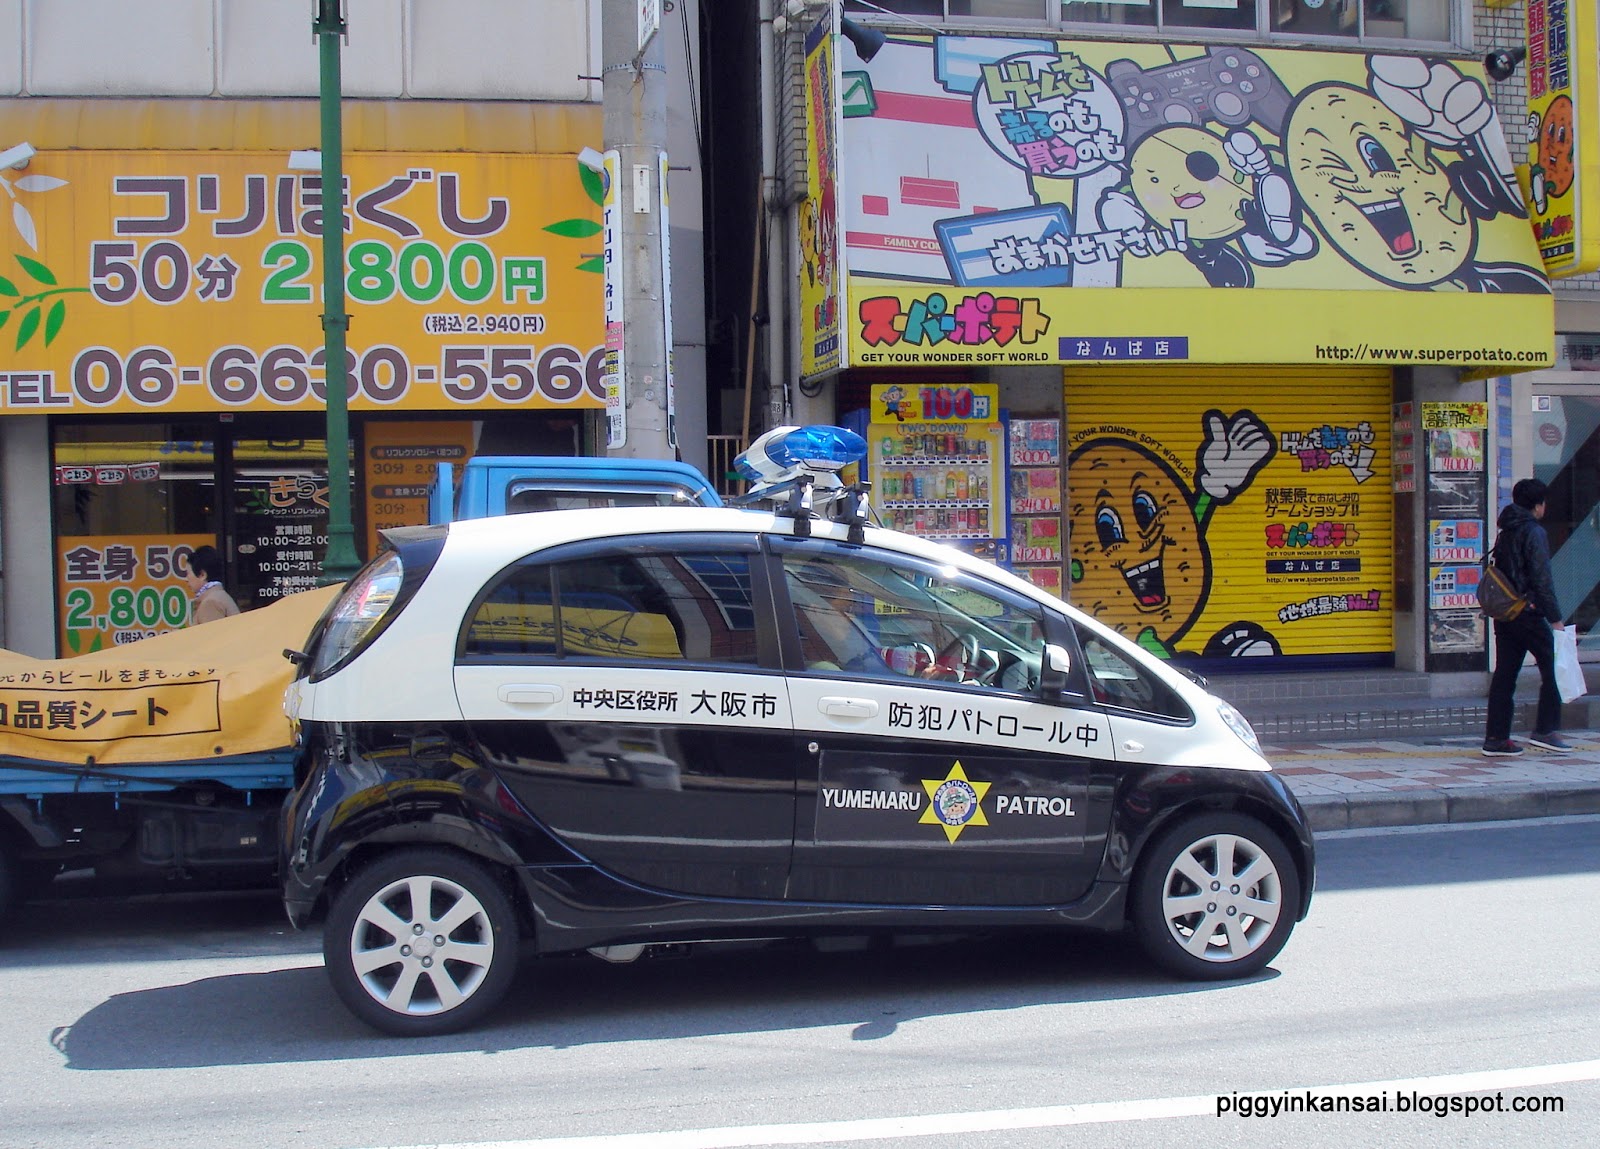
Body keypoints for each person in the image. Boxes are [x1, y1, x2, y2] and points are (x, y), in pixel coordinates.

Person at [1483, 478, 1570, 756]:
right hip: (1528, 611)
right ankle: (1546, 730)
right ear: (1538, 505)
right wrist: (1555, 618)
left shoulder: (1506, 528)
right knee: (1554, 665)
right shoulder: (1533, 531)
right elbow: (1541, 578)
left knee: (1505, 675)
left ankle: (1496, 738)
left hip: (1505, 611)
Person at [183, 544, 240, 626]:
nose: (186, 579)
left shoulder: (210, 603)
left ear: (202, 575)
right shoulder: (218, 596)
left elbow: (212, 638)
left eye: (188, 573)